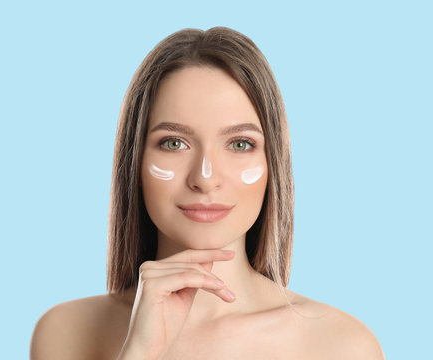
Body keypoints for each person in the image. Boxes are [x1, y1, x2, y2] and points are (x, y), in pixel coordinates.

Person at [30, 26, 385, 359]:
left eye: (240, 144)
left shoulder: (342, 345)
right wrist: (138, 352)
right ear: (135, 162)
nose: (205, 177)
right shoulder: (66, 333)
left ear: (274, 165)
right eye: (174, 143)